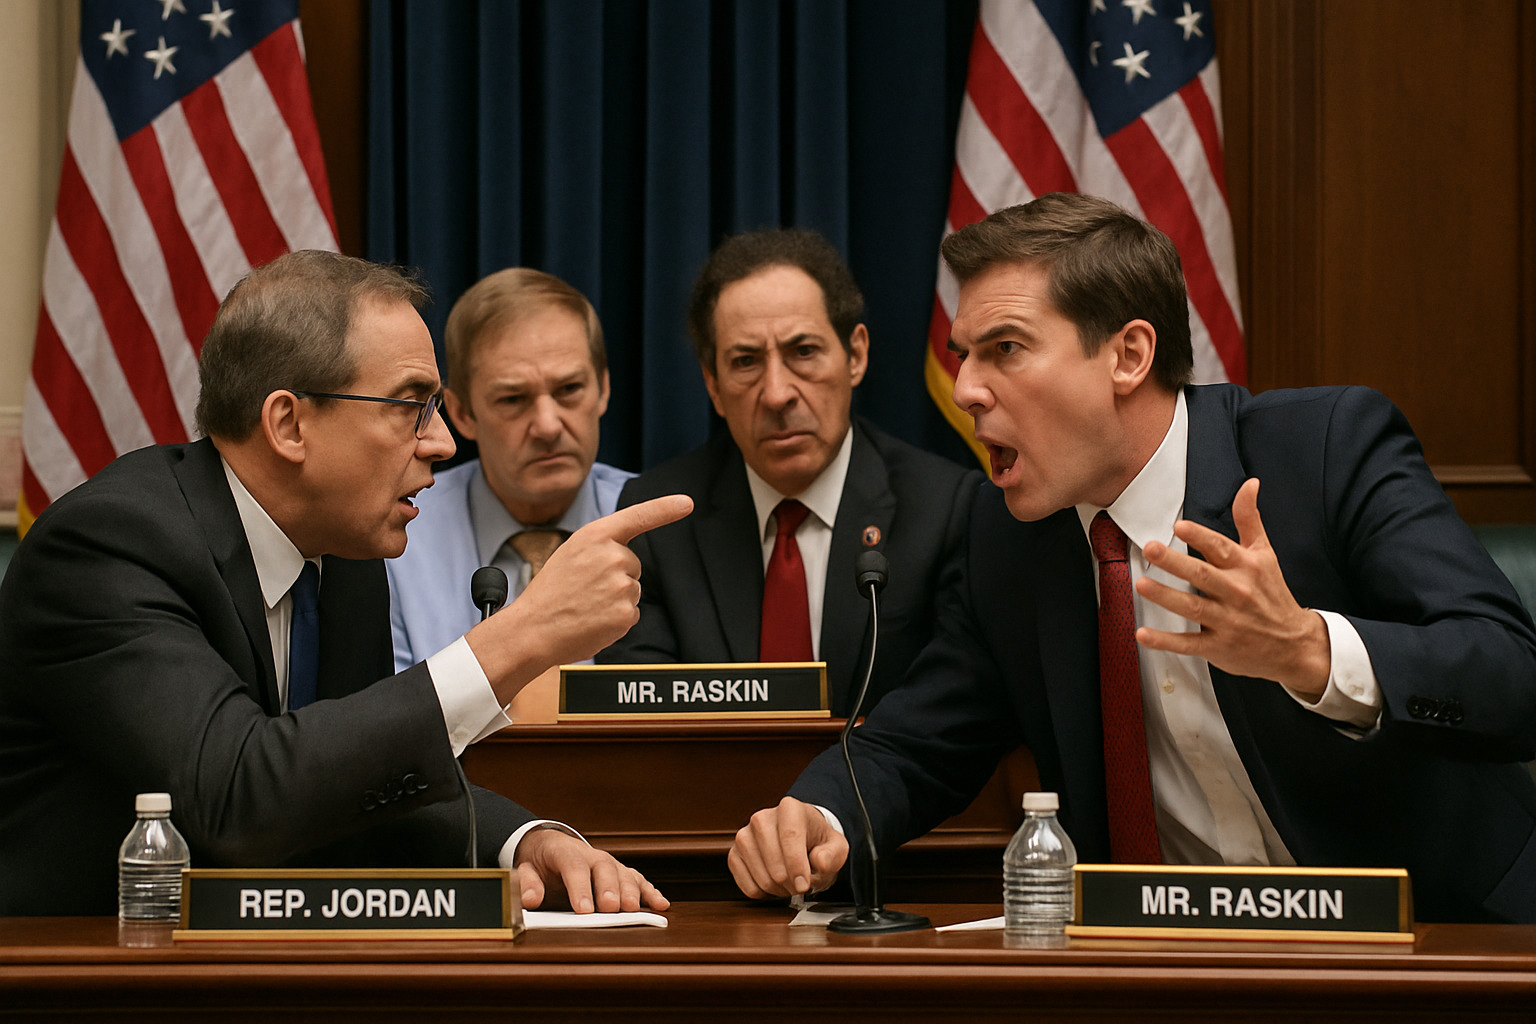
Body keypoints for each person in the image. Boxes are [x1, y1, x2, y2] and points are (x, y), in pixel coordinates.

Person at [729, 194, 1536, 923]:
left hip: (1438, 936)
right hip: (1162, 965)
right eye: (964, 352)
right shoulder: (1007, 537)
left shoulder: (1324, 452)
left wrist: (1308, 651)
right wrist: (818, 817)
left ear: (1129, 355)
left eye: (1004, 348)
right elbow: (918, 742)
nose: (967, 388)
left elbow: (1512, 674)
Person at [0, 250, 690, 916]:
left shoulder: (346, 557)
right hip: (80, 977)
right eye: (410, 405)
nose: (444, 442)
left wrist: (521, 841)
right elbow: (235, 797)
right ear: (289, 423)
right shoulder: (111, 544)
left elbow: (350, 783)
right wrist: (520, 638)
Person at [598, 229, 981, 716]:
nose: (778, 393)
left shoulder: (946, 509)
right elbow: (636, 723)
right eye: (745, 362)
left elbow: (952, 715)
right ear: (712, 385)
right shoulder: (657, 519)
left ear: (856, 355)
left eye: (803, 352)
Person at [387, 269, 632, 681]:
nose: (548, 425)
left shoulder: (661, 529)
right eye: (513, 399)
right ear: (462, 413)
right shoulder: (397, 540)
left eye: (569, 389)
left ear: (604, 389)